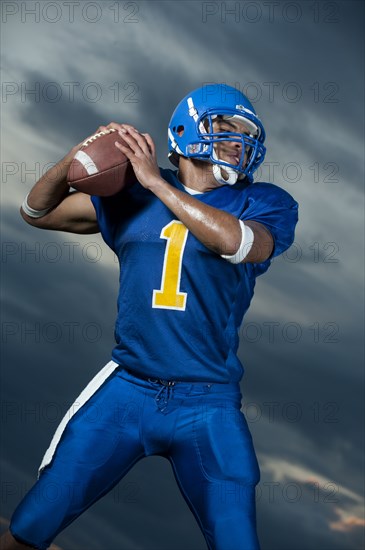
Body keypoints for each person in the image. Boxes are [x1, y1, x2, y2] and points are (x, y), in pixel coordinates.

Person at [1, 83, 298, 550]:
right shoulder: (128, 193)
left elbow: (239, 244)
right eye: (226, 128)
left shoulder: (264, 201)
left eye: (245, 134)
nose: (239, 142)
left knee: (238, 542)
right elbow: (36, 211)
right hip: (130, 387)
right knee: (29, 529)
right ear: (185, 130)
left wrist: (157, 183)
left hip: (209, 401)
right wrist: (75, 156)